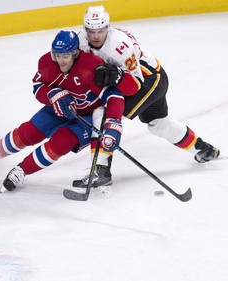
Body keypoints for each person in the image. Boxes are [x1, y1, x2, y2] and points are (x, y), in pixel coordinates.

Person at [72, 5, 220, 189]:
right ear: (85, 28)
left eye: (100, 30)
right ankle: (203, 149)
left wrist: (118, 76)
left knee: (104, 113)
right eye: (91, 31)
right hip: (148, 78)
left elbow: (134, 85)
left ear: (107, 27)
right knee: (159, 125)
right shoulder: (79, 41)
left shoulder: (119, 46)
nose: (95, 36)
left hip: (149, 80)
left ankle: (101, 171)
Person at [0, 30, 125, 192]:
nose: (60, 61)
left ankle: (21, 170)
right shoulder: (47, 63)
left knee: (60, 143)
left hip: (88, 115)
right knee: (30, 132)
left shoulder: (91, 66)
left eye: (65, 56)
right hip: (60, 107)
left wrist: (113, 121)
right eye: (57, 55)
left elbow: (114, 95)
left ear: (75, 53)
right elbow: (38, 85)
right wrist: (51, 94)